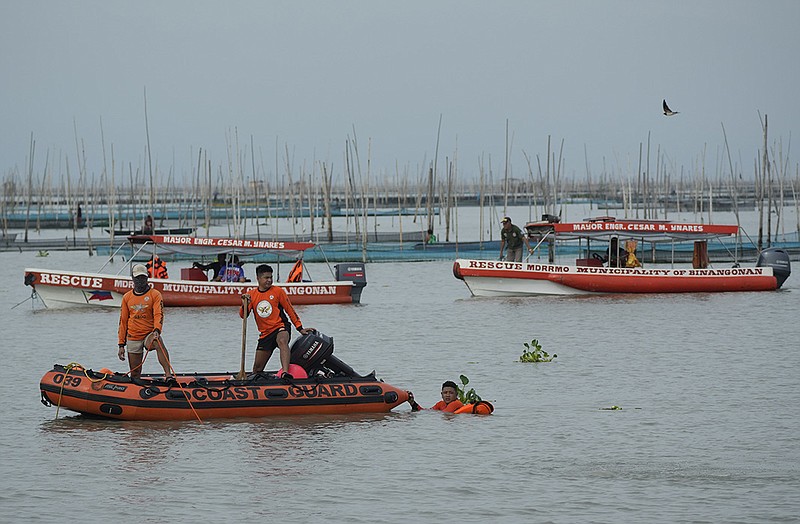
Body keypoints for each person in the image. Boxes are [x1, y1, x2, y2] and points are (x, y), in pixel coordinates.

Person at [240, 264, 314, 377]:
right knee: (257, 369)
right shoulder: (251, 295)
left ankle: (285, 372)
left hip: (280, 326)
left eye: (271, 277)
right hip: (265, 334)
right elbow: (243, 316)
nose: (269, 280)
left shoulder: (278, 291)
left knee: (282, 341)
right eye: (266, 278)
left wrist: (300, 328)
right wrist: (245, 304)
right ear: (258, 278)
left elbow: (290, 310)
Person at [118, 264, 173, 379]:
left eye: (142, 278)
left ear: (147, 278)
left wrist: (157, 330)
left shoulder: (155, 295)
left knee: (157, 341)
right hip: (133, 336)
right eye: (137, 278)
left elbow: (159, 314)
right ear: (132, 279)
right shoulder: (127, 297)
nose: (140, 281)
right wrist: (121, 344)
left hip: (149, 334)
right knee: (135, 373)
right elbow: (123, 321)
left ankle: (168, 375)